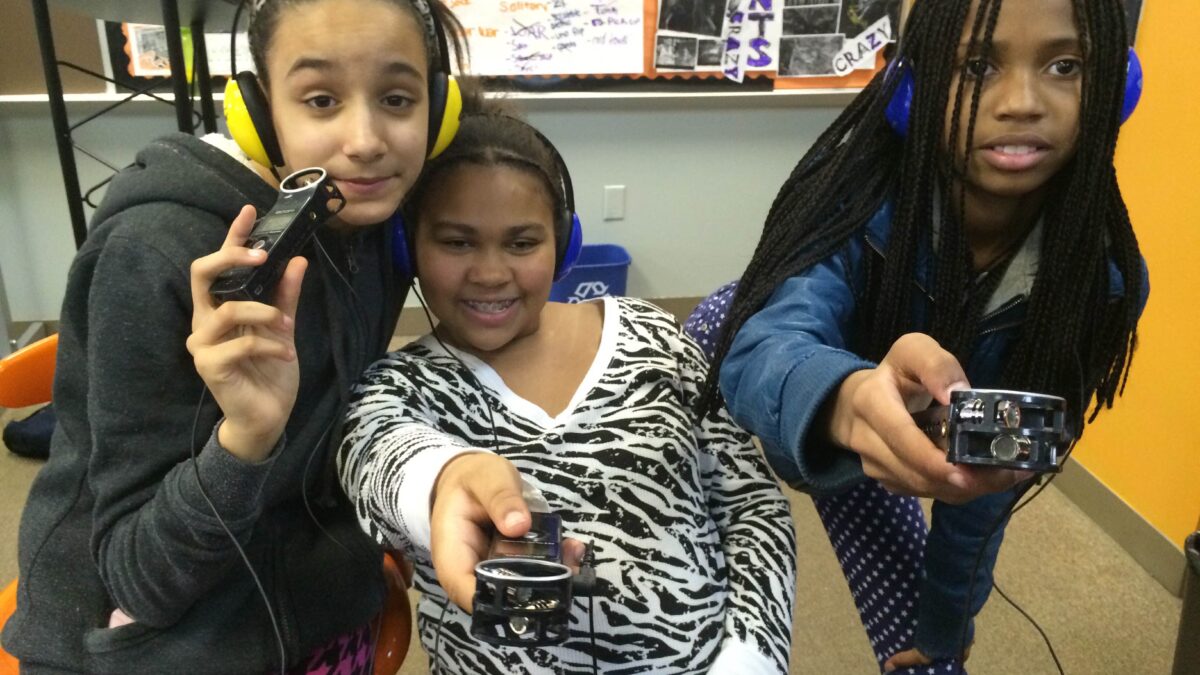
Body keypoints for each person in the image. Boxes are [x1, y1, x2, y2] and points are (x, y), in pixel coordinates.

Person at [1, 0, 467, 671]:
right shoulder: (154, 250)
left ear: (439, 112)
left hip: (305, 600)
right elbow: (139, 581)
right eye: (320, 99)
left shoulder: (373, 214)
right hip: (136, 637)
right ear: (258, 111)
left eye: (398, 98)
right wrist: (245, 440)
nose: (365, 138)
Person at [702, 0, 1148, 672]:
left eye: (1065, 64)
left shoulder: (1098, 280)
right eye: (976, 65)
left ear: (1116, 85)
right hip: (801, 388)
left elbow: (989, 483)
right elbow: (768, 341)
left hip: (907, 437)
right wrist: (849, 399)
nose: (1023, 102)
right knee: (718, 329)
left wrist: (945, 622)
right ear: (914, 90)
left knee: (931, 659)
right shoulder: (853, 201)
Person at [337, 107, 797, 673]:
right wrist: (446, 478)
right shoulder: (396, 391)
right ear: (409, 250)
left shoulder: (652, 335)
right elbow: (379, 460)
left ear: (565, 246)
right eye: (457, 243)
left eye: (522, 243)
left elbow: (751, 505)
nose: (490, 273)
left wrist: (748, 659)